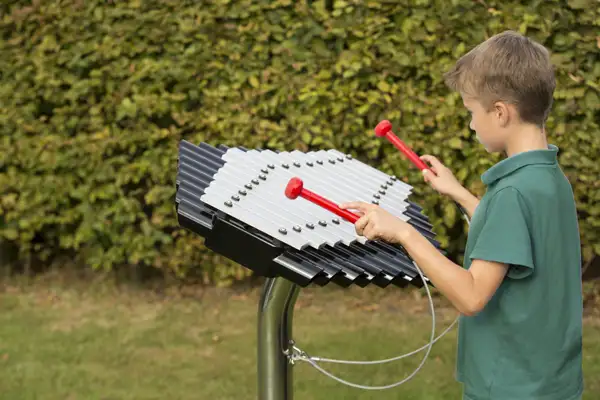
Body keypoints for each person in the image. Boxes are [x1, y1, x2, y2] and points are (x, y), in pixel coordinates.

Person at [340, 30, 584, 400]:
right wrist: (459, 193)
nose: (471, 125)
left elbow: (472, 296)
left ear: (500, 112)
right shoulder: (548, 177)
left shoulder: (511, 193)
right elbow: (517, 241)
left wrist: (404, 233)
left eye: (472, 112)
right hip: (552, 382)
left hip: (509, 387)